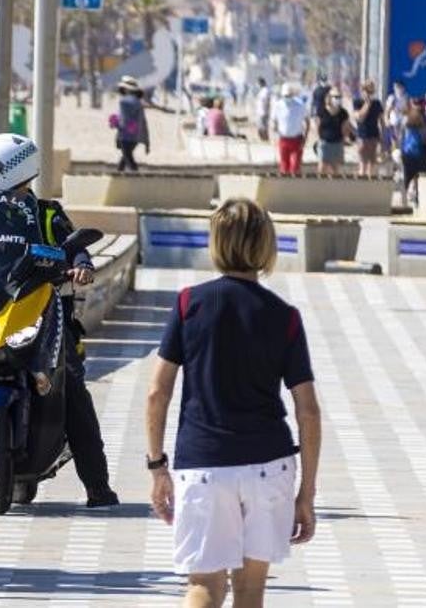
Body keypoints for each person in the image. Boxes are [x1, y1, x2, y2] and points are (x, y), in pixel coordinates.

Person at [145, 197, 321, 608]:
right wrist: (306, 493)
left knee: (204, 587)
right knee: (249, 591)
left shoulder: (189, 304)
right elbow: (308, 411)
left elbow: (158, 392)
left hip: (204, 464)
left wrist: (157, 467)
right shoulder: (285, 316)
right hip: (269, 465)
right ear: (266, 246)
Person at [0, 133, 119, 508]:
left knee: (72, 386)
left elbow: (75, 245)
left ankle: (97, 486)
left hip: (43, 315)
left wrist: (81, 265)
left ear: (14, 170)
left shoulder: (46, 213)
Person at [271, 83, 309, 175]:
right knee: (284, 167)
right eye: (285, 96)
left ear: (292, 95)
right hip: (283, 139)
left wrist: (305, 137)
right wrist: (274, 135)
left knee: (295, 167)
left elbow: (307, 121)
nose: (287, 98)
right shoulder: (277, 105)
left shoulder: (300, 105)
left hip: (296, 139)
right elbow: (273, 121)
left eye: (289, 95)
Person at [114, 76, 150, 172]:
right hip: (135, 135)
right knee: (125, 158)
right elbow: (143, 122)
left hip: (125, 135)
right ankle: (119, 173)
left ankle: (136, 177)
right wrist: (146, 141)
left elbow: (123, 120)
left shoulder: (124, 102)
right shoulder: (138, 102)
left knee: (128, 158)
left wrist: (115, 123)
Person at [315, 87, 355, 175]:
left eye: (340, 97)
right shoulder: (321, 111)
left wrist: (345, 139)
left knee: (335, 169)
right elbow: (317, 126)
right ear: (329, 97)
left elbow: (345, 128)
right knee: (322, 167)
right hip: (324, 143)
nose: (338, 99)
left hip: (337, 143)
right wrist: (319, 139)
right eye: (336, 97)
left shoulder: (343, 113)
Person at [399, 99, 426, 206]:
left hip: (408, 153)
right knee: (419, 177)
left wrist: (400, 149)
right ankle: (417, 198)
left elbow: (401, 137)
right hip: (421, 153)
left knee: (407, 177)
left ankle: (405, 200)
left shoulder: (405, 119)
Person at [352, 80, 384, 177]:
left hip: (373, 135)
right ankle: (362, 180)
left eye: (371, 91)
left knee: (372, 162)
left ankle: (370, 180)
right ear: (362, 91)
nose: (369, 94)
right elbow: (360, 117)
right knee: (363, 162)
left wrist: (382, 135)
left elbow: (381, 119)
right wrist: (367, 104)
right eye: (366, 91)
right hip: (362, 135)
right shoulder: (357, 102)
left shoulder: (377, 103)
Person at [254, 77, 272, 142]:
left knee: (263, 128)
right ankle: (263, 140)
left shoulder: (266, 91)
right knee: (260, 128)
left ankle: (265, 140)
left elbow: (267, 102)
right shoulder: (262, 91)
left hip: (263, 112)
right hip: (260, 112)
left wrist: (267, 110)